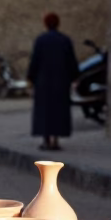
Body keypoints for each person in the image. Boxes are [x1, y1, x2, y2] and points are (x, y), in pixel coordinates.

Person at [27, 12, 79, 152]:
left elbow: (35, 61)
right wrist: (75, 77)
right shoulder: (65, 40)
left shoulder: (40, 40)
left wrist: (30, 79)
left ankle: (46, 140)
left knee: (45, 111)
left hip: (43, 82)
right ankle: (56, 140)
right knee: (59, 110)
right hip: (61, 81)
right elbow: (71, 61)